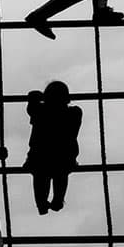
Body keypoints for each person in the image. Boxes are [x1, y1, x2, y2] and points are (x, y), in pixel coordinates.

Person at [23, 81, 82, 214]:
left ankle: (42, 204)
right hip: (64, 156)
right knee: (61, 174)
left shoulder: (40, 111)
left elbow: (32, 105)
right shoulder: (74, 113)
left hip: (40, 156)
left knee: (40, 176)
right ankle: (58, 200)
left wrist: (38, 98)